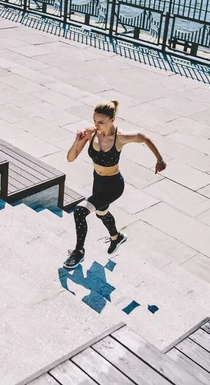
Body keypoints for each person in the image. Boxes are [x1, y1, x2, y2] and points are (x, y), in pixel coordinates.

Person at [63, 100, 166, 270]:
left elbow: (144, 138)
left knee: (80, 212)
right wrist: (76, 141)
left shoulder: (120, 138)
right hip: (98, 182)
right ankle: (116, 237)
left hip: (113, 186)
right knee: (101, 212)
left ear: (112, 119)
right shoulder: (90, 133)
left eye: (101, 122)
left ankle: (78, 252)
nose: (96, 125)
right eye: (94, 120)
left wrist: (160, 160)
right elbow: (70, 158)